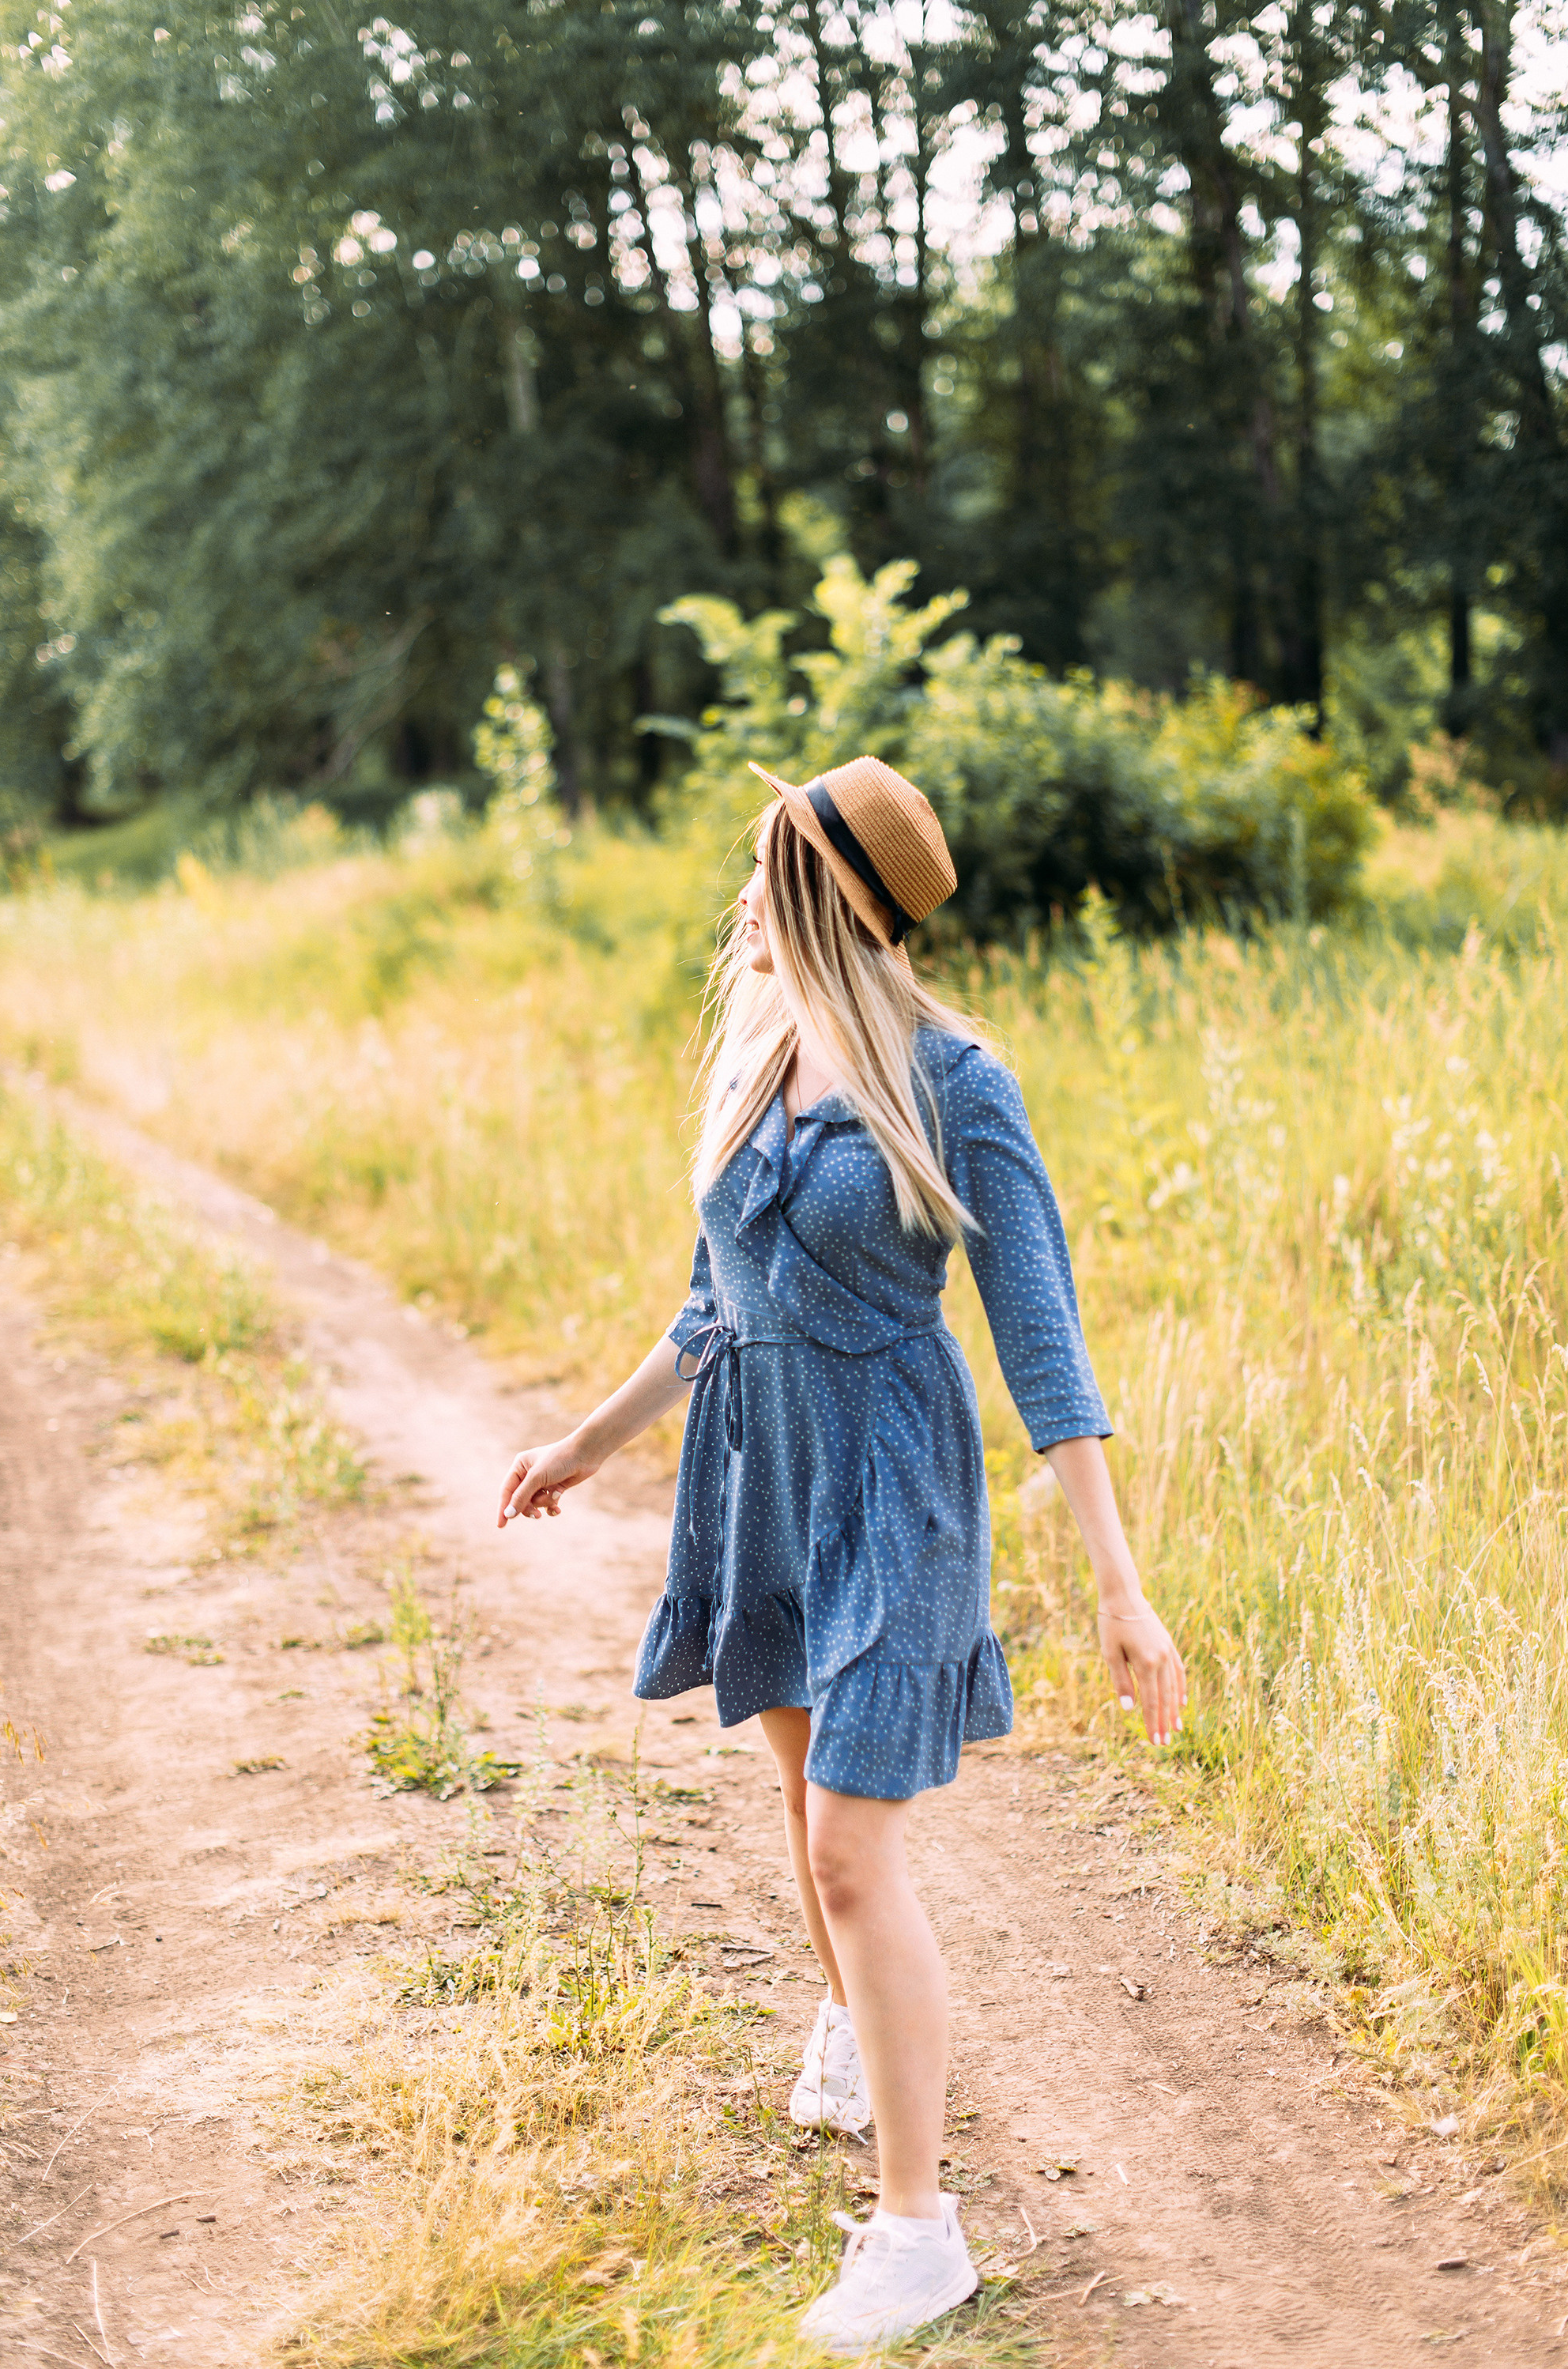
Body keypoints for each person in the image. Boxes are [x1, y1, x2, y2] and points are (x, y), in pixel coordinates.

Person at [497, 756, 1186, 2356]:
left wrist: (1118, 1579)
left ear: (828, 898)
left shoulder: (957, 1083)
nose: (744, 895)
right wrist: (586, 1442)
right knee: (802, 1799)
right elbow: (711, 1300)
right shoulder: (756, 1046)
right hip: (761, 1466)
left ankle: (920, 2232)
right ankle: (850, 2025)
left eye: (769, 870)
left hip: (892, 1478)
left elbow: (1042, 1340)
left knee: (849, 1853)